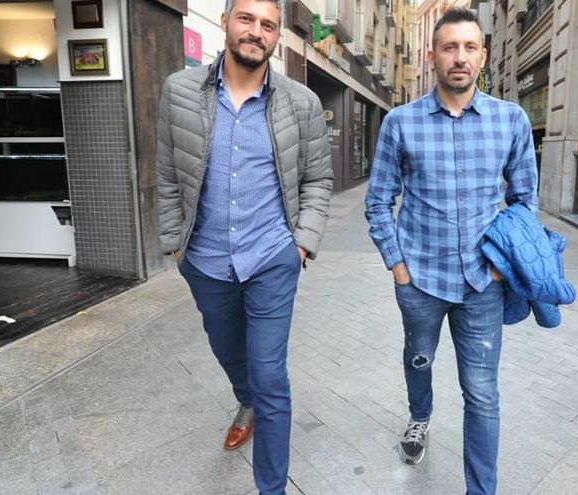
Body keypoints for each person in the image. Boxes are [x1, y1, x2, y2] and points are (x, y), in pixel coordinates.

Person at [155, 0, 333, 492]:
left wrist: (301, 244)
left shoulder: (302, 103)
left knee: (271, 377)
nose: (257, 32)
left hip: (273, 257)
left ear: (277, 37)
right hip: (205, 260)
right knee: (228, 350)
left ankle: (270, 487)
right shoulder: (180, 92)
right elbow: (168, 173)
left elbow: (319, 179)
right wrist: (177, 246)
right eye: (247, 20)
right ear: (226, 21)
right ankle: (244, 398)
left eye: (268, 25)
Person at [364, 7, 538, 495]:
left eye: (468, 47)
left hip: (484, 285)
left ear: (482, 55)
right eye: (449, 47)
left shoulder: (511, 121)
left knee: (482, 395)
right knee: (418, 359)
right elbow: (378, 201)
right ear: (432, 55)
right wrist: (398, 268)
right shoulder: (401, 122)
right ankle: (420, 416)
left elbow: (525, 202)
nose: (459, 57)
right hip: (419, 280)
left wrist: (503, 269)